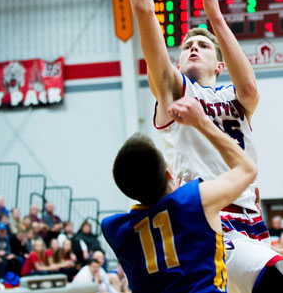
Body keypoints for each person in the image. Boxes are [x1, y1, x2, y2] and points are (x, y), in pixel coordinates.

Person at [102, 0, 283, 293]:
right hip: (204, 218)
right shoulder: (175, 91)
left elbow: (251, 88)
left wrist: (217, 20)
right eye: (186, 44)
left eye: (202, 45)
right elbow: (142, 11)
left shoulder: (235, 94)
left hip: (249, 221)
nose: (192, 46)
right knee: (278, 282)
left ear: (218, 63)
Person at [101, 96, 258, 293]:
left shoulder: (115, 230)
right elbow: (247, 169)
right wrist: (202, 122)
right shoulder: (195, 200)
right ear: (169, 173)